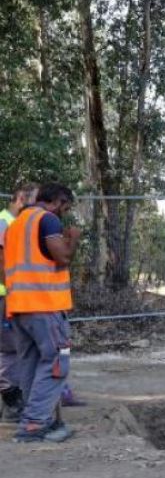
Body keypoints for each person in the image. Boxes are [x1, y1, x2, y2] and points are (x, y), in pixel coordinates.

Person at [4, 183, 80, 442]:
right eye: (65, 207)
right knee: (58, 361)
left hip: (18, 307)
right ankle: (35, 424)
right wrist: (73, 238)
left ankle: (38, 419)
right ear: (57, 201)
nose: (63, 213)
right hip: (44, 305)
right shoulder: (46, 220)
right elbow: (63, 257)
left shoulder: (15, 225)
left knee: (30, 364)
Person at [0, 182, 39, 422]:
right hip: (5, 295)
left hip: (14, 294)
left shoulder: (17, 223)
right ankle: (11, 398)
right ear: (21, 199)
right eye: (35, 201)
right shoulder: (5, 223)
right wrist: (10, 291)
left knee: (16, 348)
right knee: (8, 349)